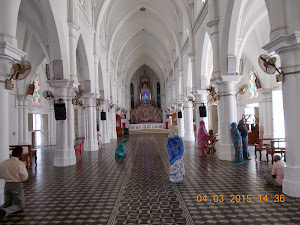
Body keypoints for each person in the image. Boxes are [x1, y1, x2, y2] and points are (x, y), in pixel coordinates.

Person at [0, 147, 28, 218]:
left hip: (7, 185)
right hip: (16, 185)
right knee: (19, 205)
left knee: (7, 203)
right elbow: (24, 176)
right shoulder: (20, 163)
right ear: (20, 154)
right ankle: (5, 212)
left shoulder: (4, 163)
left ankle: (1, 209)